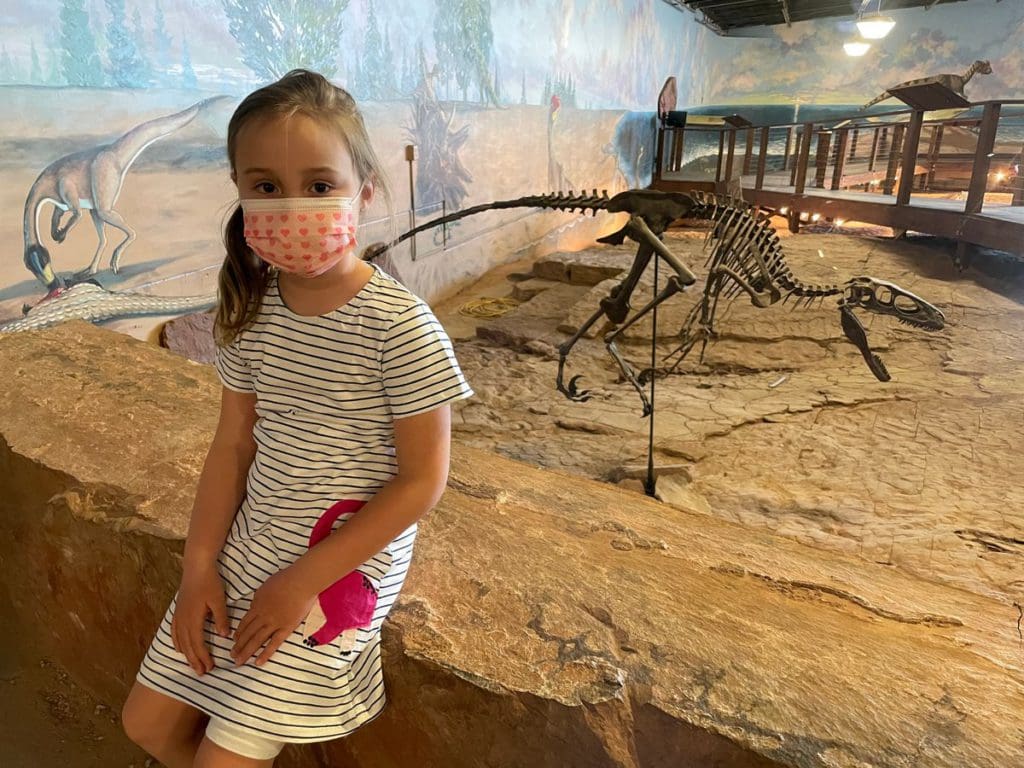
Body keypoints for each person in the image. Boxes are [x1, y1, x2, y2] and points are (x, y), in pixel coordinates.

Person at [121, 69, 473, 767]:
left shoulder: (400, 326)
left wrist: (302, 581)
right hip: (252, 543)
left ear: (363, 190)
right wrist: (198, 569)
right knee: (146, 725)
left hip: (341, 565)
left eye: (318, 186)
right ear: (240, 189)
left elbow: (422, 482)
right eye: (266, 186)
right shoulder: (250, 314)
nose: (292, 206)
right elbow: (232, 448)